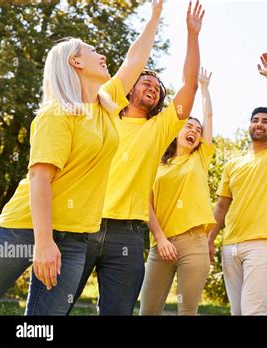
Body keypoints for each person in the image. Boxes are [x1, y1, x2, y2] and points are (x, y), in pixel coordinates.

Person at [0, 0, 166, 316]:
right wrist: (44, 243)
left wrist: (155, 13)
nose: (102, 56)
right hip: (24, 228)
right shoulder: (58, 113)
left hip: (75, 238)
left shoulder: (106, 104)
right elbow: (40, 178)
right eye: (92, 51)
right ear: (74, 62)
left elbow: (134, 60)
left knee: (43, 325)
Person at [69, 0, 205, 315]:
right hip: (82, 224)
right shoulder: (105, 111)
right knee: (53, 307)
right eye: (146, 82)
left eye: (158, 87)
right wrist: (156, 15)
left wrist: (192, 34)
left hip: (127, 236)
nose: (153, 87)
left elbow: (190, 85)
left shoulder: (160, 127)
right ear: (130, 90)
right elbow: (133, 60)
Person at [208, 53, 267, 316]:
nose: (260, 123)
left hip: (261, 244)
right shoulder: (233, 164)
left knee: (253, 311)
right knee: (237, 312)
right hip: (229, 245)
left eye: (266, 121)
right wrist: (210, 240)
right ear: (249, 125)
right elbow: (222, 205)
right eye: (255, 120)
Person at [139, 68, 215, 316]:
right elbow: (145, 203)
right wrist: (160, 238)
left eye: (197, 129)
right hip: (160, 244)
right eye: (188, 126)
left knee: (187, 312)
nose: (193, 130)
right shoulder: (156, 163)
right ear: (177, 130)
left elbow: (209, 116)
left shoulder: (200, 158)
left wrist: (203, 87)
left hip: (194, 243)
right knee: (147, 311)